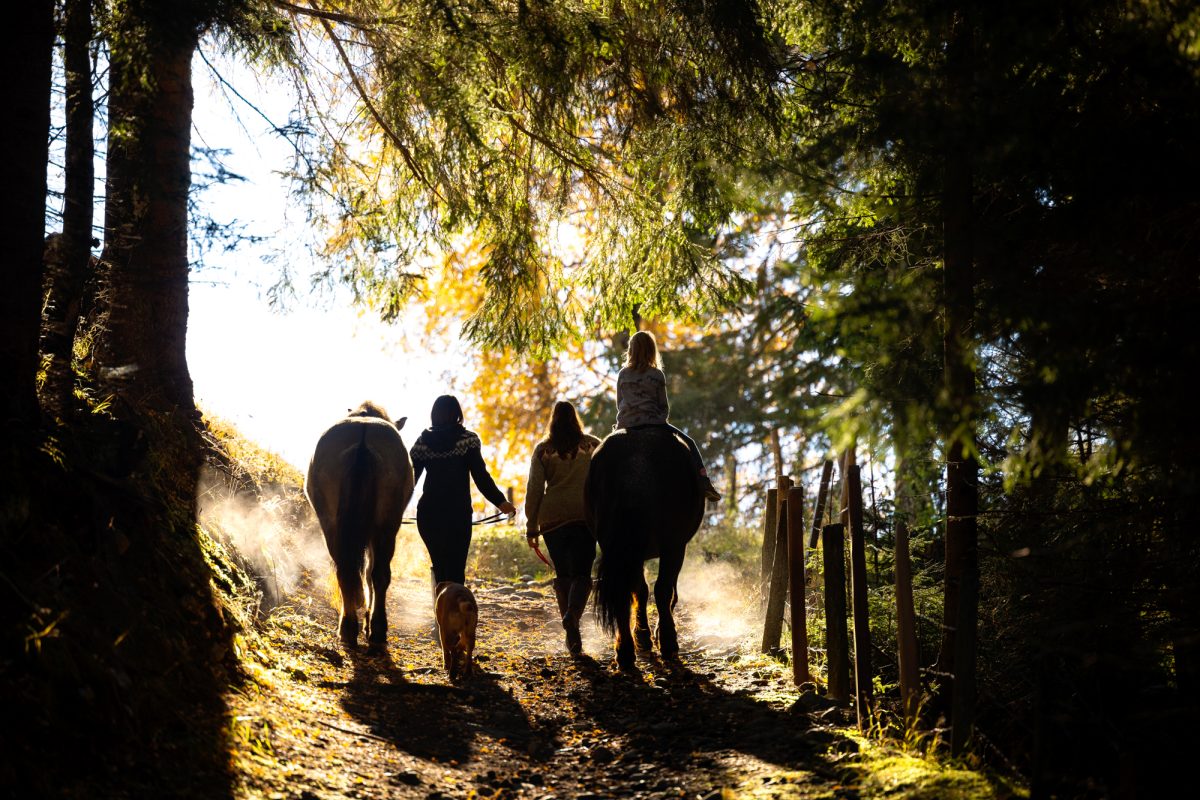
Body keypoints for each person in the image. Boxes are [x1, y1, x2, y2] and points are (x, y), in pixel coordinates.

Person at [411, 395, 516, 587]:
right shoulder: (468, 440)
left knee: (440, 568)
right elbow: (481, 477)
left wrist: (391, 509)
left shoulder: (422, 442)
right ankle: (454, 613)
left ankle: (441, 613)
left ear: (434, 414)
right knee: (456, 570)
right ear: (457, 414)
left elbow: (409, 480)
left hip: (429, 514)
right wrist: (501, 502)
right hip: (457, 514)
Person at [524, 401, 601, 655]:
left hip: (552, 518)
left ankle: (573, 635)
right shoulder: (593, 445)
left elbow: (535, 489)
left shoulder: (543, 450)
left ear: (553, 420)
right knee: (582, 575)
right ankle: (571, 615)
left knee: (563, 575)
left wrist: (532, 525)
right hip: (584, 515)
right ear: (575, 419)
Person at [615, 330, 721, 502]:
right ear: (651, 350)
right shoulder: (656, 375)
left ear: (631, 350)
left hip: (626, 424)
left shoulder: (623, 374)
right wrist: (659, 420)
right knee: (690, 443)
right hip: (653, 423)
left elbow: (619, 404)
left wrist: (625, 420)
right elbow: (663, 407)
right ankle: (704, 482)